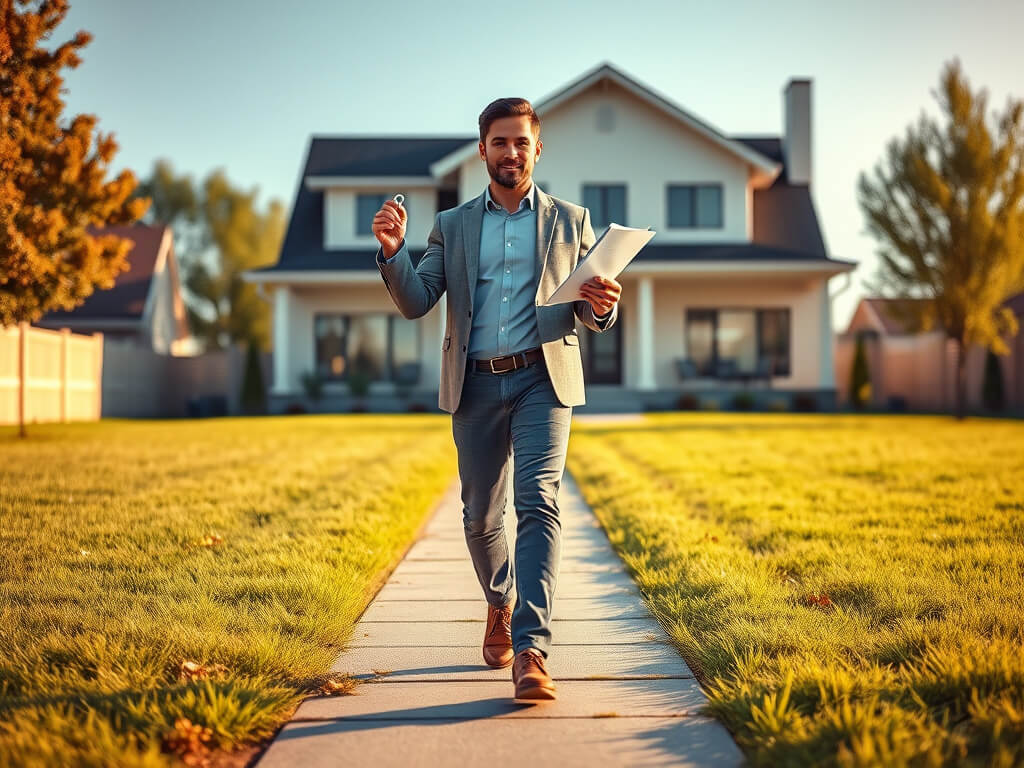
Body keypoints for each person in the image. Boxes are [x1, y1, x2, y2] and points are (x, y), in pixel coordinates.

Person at [372, 97, 621, 703]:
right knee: (481, 515)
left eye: (522, 142)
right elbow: (416, 300)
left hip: (544, 378)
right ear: (482, 150)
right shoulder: (452, 226)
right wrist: (391, 252)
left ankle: (532, 651)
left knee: (539, 502)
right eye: (500, 142)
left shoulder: (573, 221)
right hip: (476, 383)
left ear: (539, 149)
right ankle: (499, 602)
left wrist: (602, 305)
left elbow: (590, 309)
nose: (512, 152)